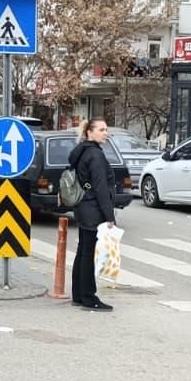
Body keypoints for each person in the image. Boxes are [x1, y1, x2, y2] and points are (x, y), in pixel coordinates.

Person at [67, 117, 117, 312]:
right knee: (88, 254)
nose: (106, 133)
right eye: (102, 129)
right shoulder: (95, 155)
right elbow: (100, 187)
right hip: (92, 208)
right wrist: (109, 216)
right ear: (90, 132)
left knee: (83, 252)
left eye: (106, 129)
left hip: (82, 206)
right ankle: (89, 297)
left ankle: (79, 295)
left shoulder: (82, 151)